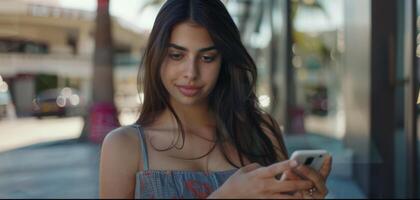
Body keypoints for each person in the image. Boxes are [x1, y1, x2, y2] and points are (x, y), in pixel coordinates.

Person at [99, 0, 332, 198]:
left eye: (207, 57)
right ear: (157, 56)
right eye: (177, 55)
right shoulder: (125, 146)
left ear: (224, 60)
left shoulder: (262, 131)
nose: (191, 72)